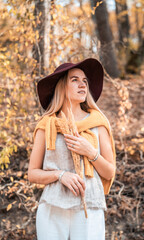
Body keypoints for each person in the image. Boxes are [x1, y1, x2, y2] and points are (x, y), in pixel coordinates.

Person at [28, 58, 116, 240]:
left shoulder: (98, 123)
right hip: (53, 207)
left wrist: (90, 152)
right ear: (62, 86)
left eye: (85, 81)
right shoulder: (47, 124)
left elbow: (109, 172)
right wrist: (60, 175)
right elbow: (32, 174)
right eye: (74, 80)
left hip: (89, 207)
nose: (82, 84)